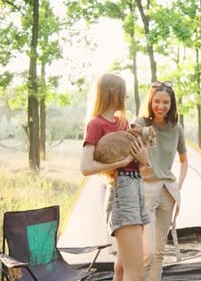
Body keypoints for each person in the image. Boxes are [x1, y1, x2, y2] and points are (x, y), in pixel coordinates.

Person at [81, 73, 151, 281]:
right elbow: (86, 167)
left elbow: (138, 161)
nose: (127, 95)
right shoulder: (96, 124)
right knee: (136, 271)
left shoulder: (123, 123)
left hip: (136, 187)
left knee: (122, 269)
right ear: (113, 93)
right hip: (122, 192)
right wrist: (119, 164)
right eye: (124, 91)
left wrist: (144, 158)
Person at [134, 81, 188, 281]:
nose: (161, 106)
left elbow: (184, 161)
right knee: (146, 250)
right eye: (157, 101)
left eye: (166, 102)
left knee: (159, 251)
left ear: (172, 104)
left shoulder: (177, 128)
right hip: (146, 189)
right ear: (150, 101)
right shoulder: (140, 123)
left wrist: (179, 185)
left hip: (168, 191)